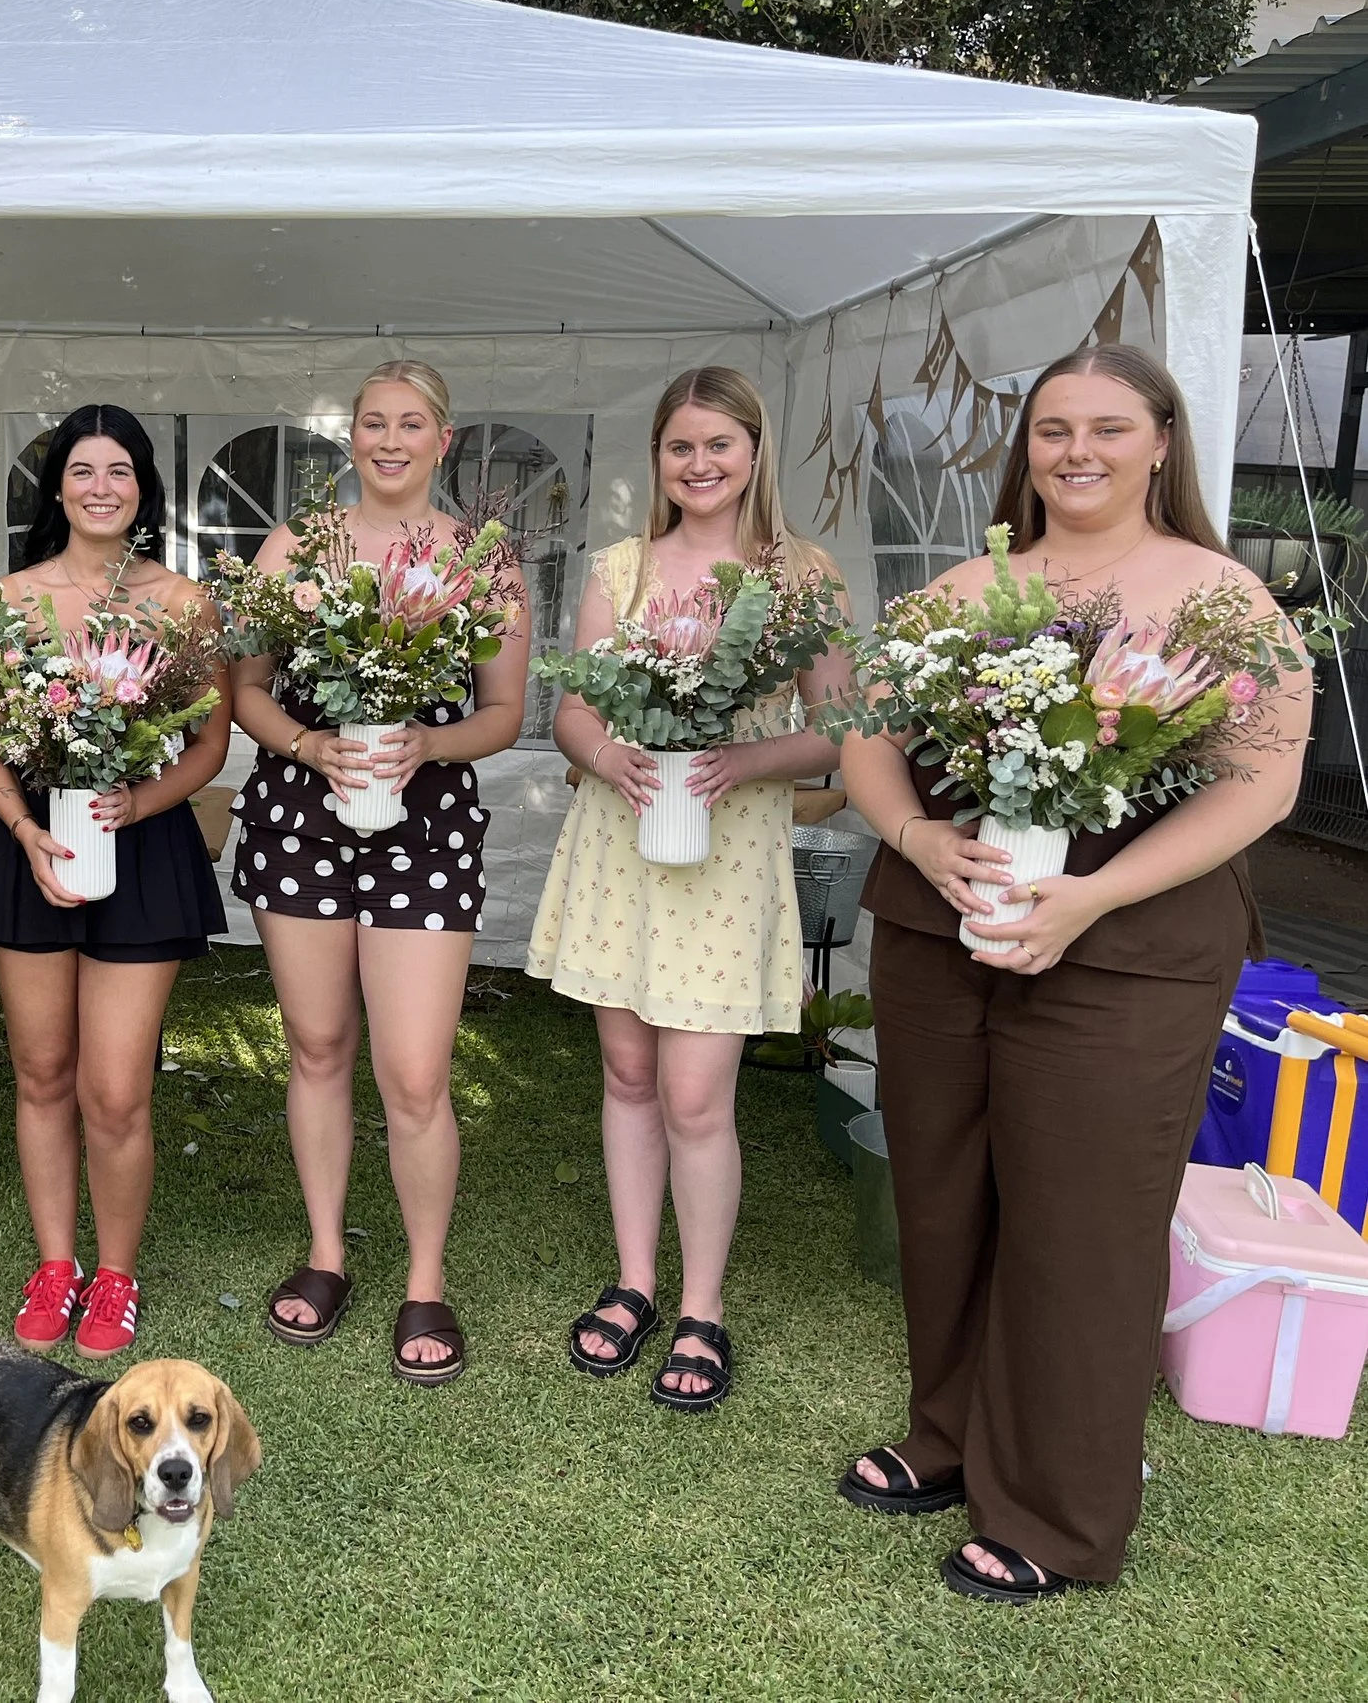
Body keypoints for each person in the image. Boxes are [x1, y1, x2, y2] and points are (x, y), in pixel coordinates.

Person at [840, 343, 1309, 1601]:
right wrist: (918, 836)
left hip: (1130, 943)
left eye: (1108, 426)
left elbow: (1263, 783)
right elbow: (867, 743)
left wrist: (1092, 893)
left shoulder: (1222, 599)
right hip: (945, 924)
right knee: (939, 1197)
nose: (1077, 451)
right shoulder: (961, 586)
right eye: (1053, 429)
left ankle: (1057, 1516)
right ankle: (945, 1441)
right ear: (1026, 448)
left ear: (1162, 439)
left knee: (1081, 1229)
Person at [527, 367, 849, 1411]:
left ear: (755, 451)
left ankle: (701, 1308)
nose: (700, 464)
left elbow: (838, 726)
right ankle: (633, 1283)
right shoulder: (622, 566)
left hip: (729, 848)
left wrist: (747, 764)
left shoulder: (800, 574)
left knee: (697, 1094)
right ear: (657, 459)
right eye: (680, 447)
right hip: (623, 842)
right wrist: (603, 754)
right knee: (627, 1074)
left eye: (719, 444)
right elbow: (575, 707)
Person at [233, 361, 528, 1387]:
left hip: (424, 826)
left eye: (410, 425)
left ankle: (424, 1278)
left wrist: (428, 749)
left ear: (442, 440)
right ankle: (324, 1254)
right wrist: (309, 749)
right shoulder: (293, 547)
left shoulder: (478, 560)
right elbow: (248, 693)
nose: (389, 440)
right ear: (350, 438)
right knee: (315, 1046)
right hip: (299, 821)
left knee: (413, 1073)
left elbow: (503, 714)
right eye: (372, 423)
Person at [0, 404, 230, 1360]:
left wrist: (136, 809)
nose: (100, 486)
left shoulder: (182, 603)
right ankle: (55, 1262)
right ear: (56, 485)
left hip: (139, 850)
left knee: (115, 1091)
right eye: (82, 469)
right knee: (42, 1071)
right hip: (28, 850)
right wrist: (25, 830)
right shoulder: (9, 599)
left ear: (142, 488)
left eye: (120, 471)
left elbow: (209, 745)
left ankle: (115, 1275)